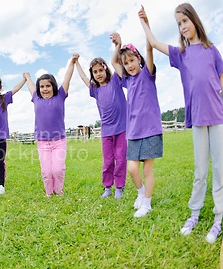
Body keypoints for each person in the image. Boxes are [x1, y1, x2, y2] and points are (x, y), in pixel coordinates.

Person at [139, 4, 223, 243]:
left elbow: (221, 78)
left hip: (218, 117)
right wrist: (144, 21)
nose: (183, 27)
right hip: (197, 118)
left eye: (185, 21)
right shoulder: (181, 54)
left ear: (194, 21)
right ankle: (194, 214)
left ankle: (218, 219)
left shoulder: (212, 50)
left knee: (219, 170)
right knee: (200, 171)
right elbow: (154, 43)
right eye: (179, 24)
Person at [111, 31, 163, 218]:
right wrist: (119, 45)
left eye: (132, 60)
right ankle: (141, 194)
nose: (129, 65)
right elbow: (114, 63)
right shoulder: (127, 81)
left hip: (150, 131)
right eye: (126, 63)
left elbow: (150, 48)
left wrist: (146, 24)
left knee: (147, 169)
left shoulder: (148, 74)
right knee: (132, 169)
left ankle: (147, 204)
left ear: (138, 59)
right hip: (133, 132)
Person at [24, 54, 77, 197]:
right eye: (42, 86)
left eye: (48, 86)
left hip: (59, 141)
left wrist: (71, 62)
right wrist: (27, 77)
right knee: (46, 171)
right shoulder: (36, 98)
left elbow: (67, 77)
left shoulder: (60, 96)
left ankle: (58, 191)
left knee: (58, 170)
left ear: (53, 86)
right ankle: (49, 193)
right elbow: (30, 85)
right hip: (42, 142)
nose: (45, 89)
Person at [76, 55, 127, 199]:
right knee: (108, 161)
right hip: (106, 131)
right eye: (95, 72)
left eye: (100, 70)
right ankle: (108, 187)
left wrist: (117, 45)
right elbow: (83, 78)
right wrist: (76, 62)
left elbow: (116, 62)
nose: (98, 74)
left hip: (121, 128)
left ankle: (119, 187)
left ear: (106, 70)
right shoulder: (95, 89)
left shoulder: (115, 81)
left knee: (121, 159)